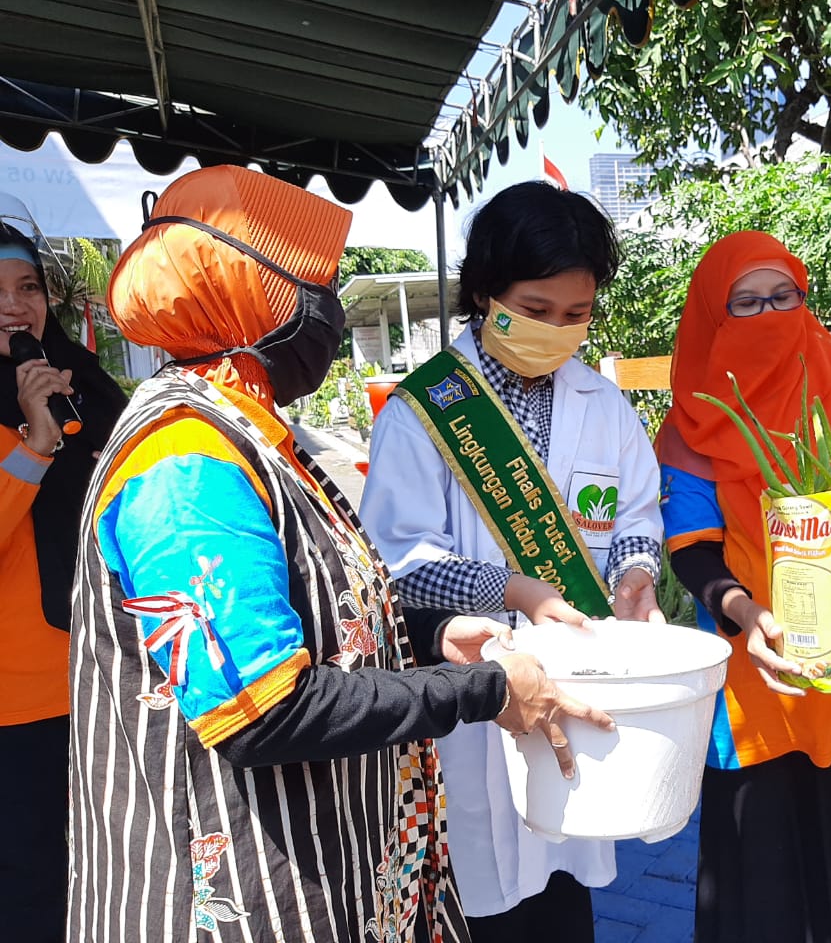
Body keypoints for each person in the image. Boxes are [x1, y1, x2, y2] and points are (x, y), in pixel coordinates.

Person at [67, 166, 613, 943]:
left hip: (316, 857)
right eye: (316, 285)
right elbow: (262, 709)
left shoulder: (245, 433)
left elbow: (322, 609)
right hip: (239, 894)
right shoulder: (187, 466)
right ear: (250, 293)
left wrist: (427, 637)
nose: (327, 307)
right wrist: (480, 691)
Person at [361, 180, 664, 943]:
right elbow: (395, 564)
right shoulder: (424, 410)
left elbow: (634, 515)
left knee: (566, 890)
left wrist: (635, 574)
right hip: (476, 698)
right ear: (485, 292)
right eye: (534, 311)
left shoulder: (604, 403)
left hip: (576, 683)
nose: (557, 331)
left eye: (576, 316)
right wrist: (510, 587)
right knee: (483, 893)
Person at [656, 230, 831, 943]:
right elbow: (692, 546)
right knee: (764, 879)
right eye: (744, 303)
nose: (767, 316)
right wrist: (743, 613)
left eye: (782, 298)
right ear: (711, 317)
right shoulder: (693, 417)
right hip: (756, 676)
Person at [0, 207, 126, 943]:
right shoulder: (35, 413)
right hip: (19, 701)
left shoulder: (81, 385)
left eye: (28, 288)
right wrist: (34, 444)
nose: (16, 307)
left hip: (102, 671)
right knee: (34, 886)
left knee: (102, 870)